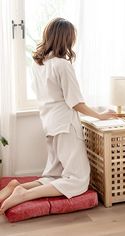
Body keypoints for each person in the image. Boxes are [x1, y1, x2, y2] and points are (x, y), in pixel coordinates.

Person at [0, 18, 117, 214]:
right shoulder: (62, 65)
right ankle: (24, 193)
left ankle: (17, 186)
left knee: (55, 175)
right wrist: (100, 116)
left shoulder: (38, 65)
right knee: (78, 180)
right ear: (67, 39)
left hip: (49, 124)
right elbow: (75, 102)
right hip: (66, 125)